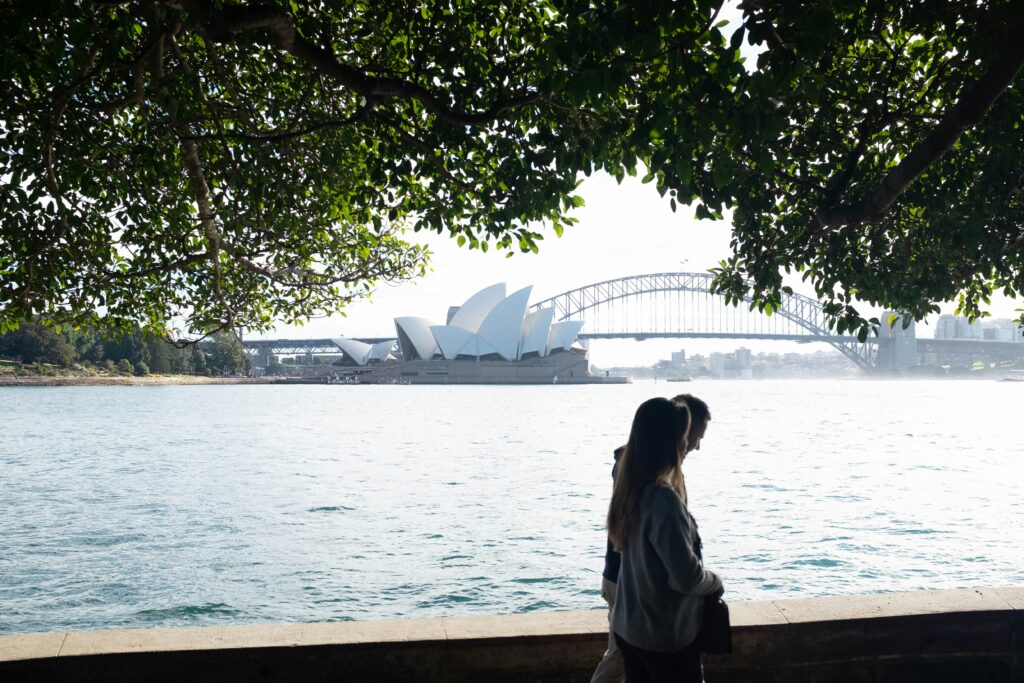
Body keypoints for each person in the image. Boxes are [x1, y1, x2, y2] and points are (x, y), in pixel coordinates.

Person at [590, 395, 711, 683]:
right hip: (635, 588)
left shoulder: (634, 471)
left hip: (626, 582)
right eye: (693, 435)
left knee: (624, 657)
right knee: (618, 659)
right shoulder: (658, 493)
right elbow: (684, 574)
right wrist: (713, 581)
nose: (695, 444)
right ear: (677, 433)